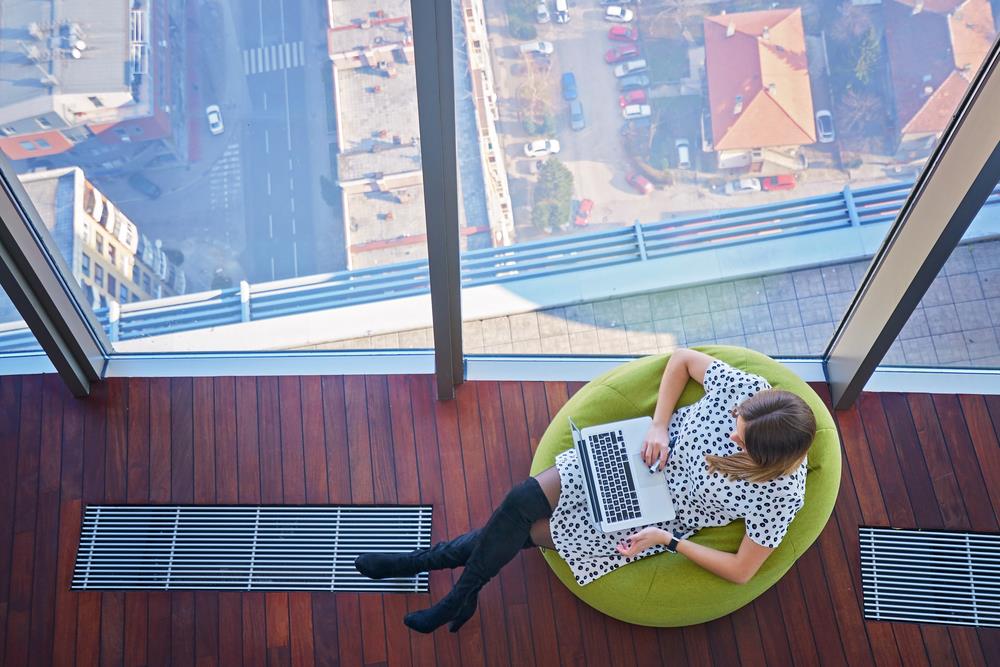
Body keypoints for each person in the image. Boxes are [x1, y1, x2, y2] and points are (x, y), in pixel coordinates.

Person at [354, 348, 816, 633]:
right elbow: (682, 359)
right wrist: (659, 424)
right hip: (637, 455)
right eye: (738, 421)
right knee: (519, 501)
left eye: (743, 440)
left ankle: (430, 570)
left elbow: (741, 571)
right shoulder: (750, 393)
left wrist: (667, 542)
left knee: (527, 531)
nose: (734, 433)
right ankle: (457, 591)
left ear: (769, 458)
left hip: (657, 518)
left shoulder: (780, 496)